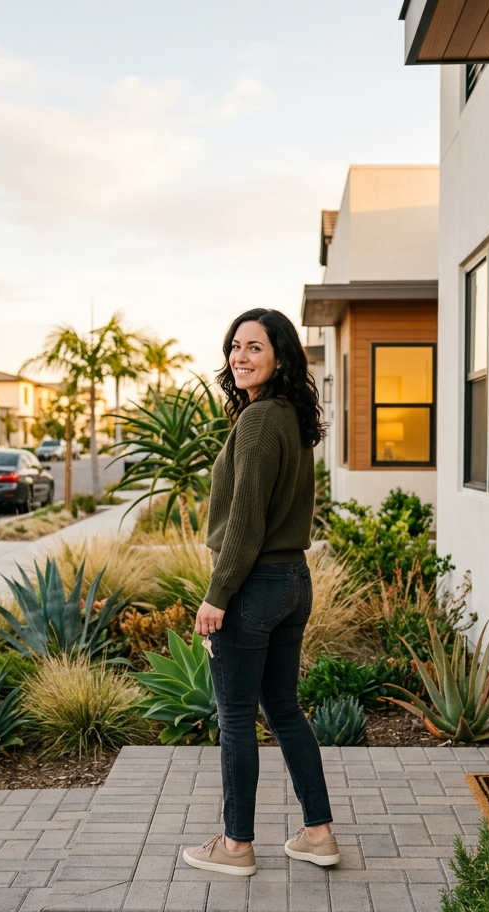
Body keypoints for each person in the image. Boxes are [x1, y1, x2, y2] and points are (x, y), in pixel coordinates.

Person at [182, 308, 339, 877]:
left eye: (255, 347)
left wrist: (216, 595)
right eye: (235, 347)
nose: (240, 357)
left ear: (280, 356)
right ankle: (318, 833)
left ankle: (236, 845)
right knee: (285, 712)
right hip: (294, 581)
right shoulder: (291, 417)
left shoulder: (257, 421)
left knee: (236, 719)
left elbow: (246, 522)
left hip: (254, 585)